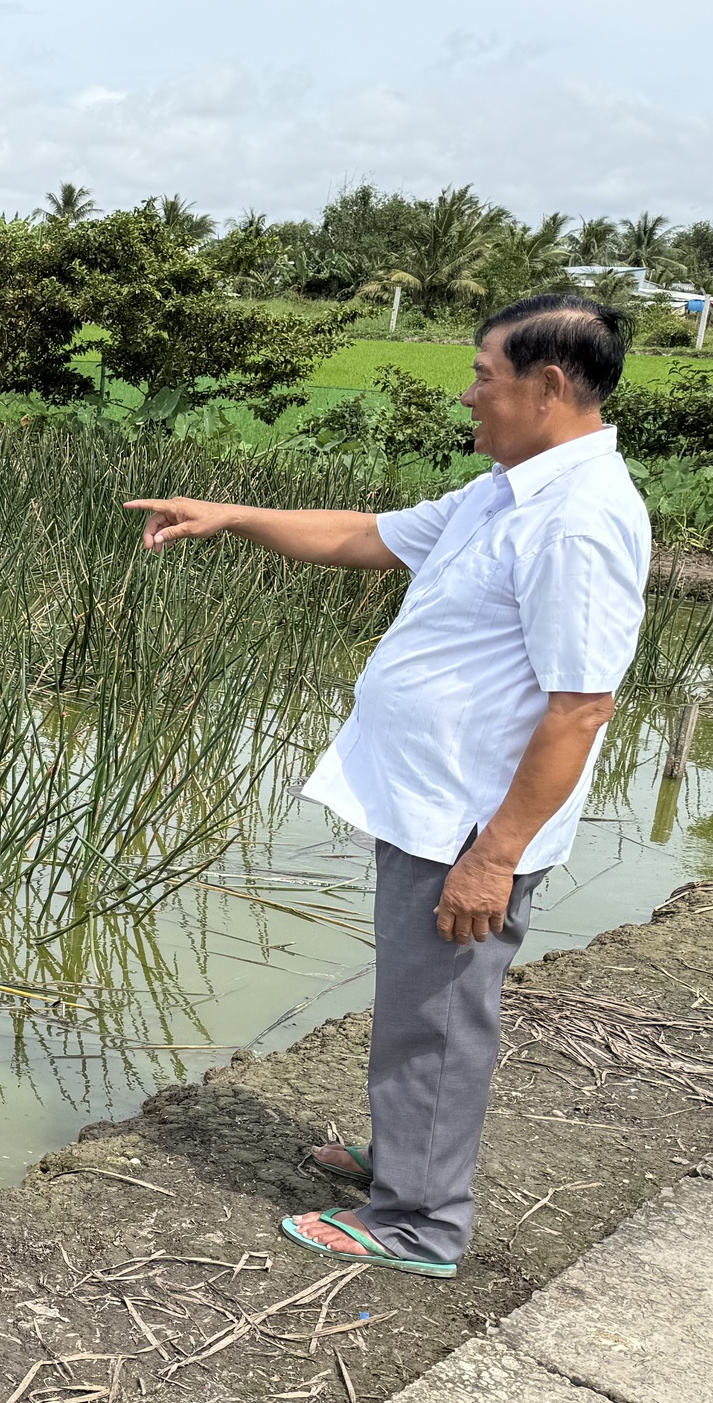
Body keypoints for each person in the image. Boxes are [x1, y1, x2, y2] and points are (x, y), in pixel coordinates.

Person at [126, 293, 649, 1279]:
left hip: (470, 823)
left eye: (483, 376)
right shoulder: (508, 488)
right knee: (419, 1004)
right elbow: (367, 534)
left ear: (546, 387)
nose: (466, 395)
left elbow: (580, 708)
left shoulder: (577, 522)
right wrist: (232, 516)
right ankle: (404, 1160)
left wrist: (493, 857)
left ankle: (419, 1222)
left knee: (442, 1019)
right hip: (426, 803)